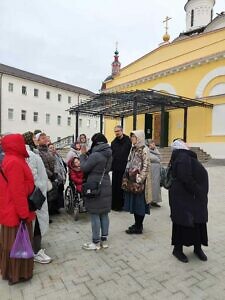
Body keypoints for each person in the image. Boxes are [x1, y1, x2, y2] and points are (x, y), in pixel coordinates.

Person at [0, 134, 35, 284]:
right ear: (16, 145)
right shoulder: (15, 161)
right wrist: (23, 214)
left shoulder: (11, 158)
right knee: (18, 244)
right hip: (17, 211)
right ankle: (18, 274)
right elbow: (18, 192)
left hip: (10, 209)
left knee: (11, 244)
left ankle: (11, 272)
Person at [169, 139, 209, 263]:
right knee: (183, 222)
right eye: (185, 143)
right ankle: (177, 250)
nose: (188, 144)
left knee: (196, 221)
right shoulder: (183, 157)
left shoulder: (184, 156)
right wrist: (198, 190)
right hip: (185, 196)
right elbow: (185, 177)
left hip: (190, 197)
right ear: (181, 146)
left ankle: (197, 247)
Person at [23, 131, 52, 264]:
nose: (36, 139)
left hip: (29, 196)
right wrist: (44, 187)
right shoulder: (32, 156)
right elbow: (37, 177)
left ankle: (33, 248)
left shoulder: (26, 155)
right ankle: (36, 251)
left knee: (33, 224)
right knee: (37, 225)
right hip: (36, 196)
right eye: (34, 138)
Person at [80, 133, 112, 250]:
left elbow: (84, 168)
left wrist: (83, 155)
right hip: (106, 183)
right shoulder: (109, 153)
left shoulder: (96, 155)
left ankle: (95, 242)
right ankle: (104, 241)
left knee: (94, 214)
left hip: (95, 185)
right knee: (104, 213)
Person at [123, 130, 152, 234]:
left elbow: (146, 165)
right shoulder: (134, 148)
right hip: (132, 180)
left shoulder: (145, 149)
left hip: (140, 182)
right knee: (134, 204)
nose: (131, 139)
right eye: (131, 137)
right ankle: (137, 224)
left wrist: (140, 179)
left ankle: (139, 226)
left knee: (140, 204)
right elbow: (129, 161)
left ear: (139, 138)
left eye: (133, 137)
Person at [111, 125, 131, 211]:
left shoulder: (128, 141)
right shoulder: (113, 142)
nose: (117, 133)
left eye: (118, 131)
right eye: (115, 131)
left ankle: (124, 205)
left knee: (124, 187)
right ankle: (115, 205)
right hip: (116, 168)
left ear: (122, 131)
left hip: (125, 168)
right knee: (115, 187)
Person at [37, 133, 57, 214]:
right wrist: (50, 174)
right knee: (46, 197)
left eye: (45, 138)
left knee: (51, 195)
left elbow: (54, 162)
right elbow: (42, 166)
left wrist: (54, 172)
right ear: (38, 141)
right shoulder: (38, 152)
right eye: (42, 138)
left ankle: (50, 212)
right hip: (45, 176)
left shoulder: (48, 150)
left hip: (51, 175)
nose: (45, 139)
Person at [48, 143, 67, 209]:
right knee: (54, 193)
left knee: (60, 192)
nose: (52, 149)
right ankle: (54, 208)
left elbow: (62, 165)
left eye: (53, 147)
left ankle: (58, 207)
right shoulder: (49, 157)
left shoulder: (58, 156)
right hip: (54, 176)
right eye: (50, 148)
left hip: (60, 177)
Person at [148, 139, 162, 207]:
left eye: (154, 144)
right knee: (151, 186)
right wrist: (158, 159)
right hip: (151, 171)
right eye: (152, 144)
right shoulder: (147, 151)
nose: (154, 145)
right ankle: (149, 201)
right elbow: (152, 158)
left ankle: (155, 201)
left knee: (157, 187)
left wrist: (158, 159)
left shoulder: (156, 151)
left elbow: (160, 158)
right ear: (149, 145)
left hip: (157, 171)